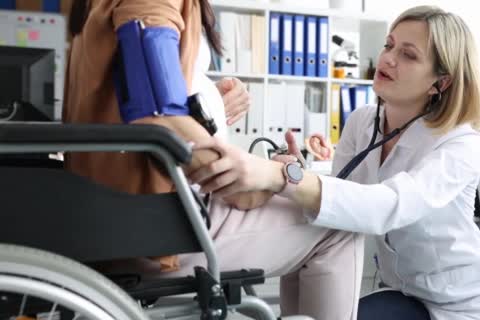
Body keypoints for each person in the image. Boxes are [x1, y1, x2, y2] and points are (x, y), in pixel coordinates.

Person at [192, 5, 480, 320]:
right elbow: (342, 206)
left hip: (470, 305)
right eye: (389, 45)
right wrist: (299, 171)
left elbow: (388, 207)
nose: (388, 59)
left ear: (441, 82)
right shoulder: (362, 122)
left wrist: (287, 177)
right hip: (406, 295)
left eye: (408, 55)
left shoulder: (460, 142)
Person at [62, 1, 363, 320]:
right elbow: (157, 116)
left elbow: (141, 97)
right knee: (338, 225)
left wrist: (210, 105)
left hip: (107, 213)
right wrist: (257, 186)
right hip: (146, 227)